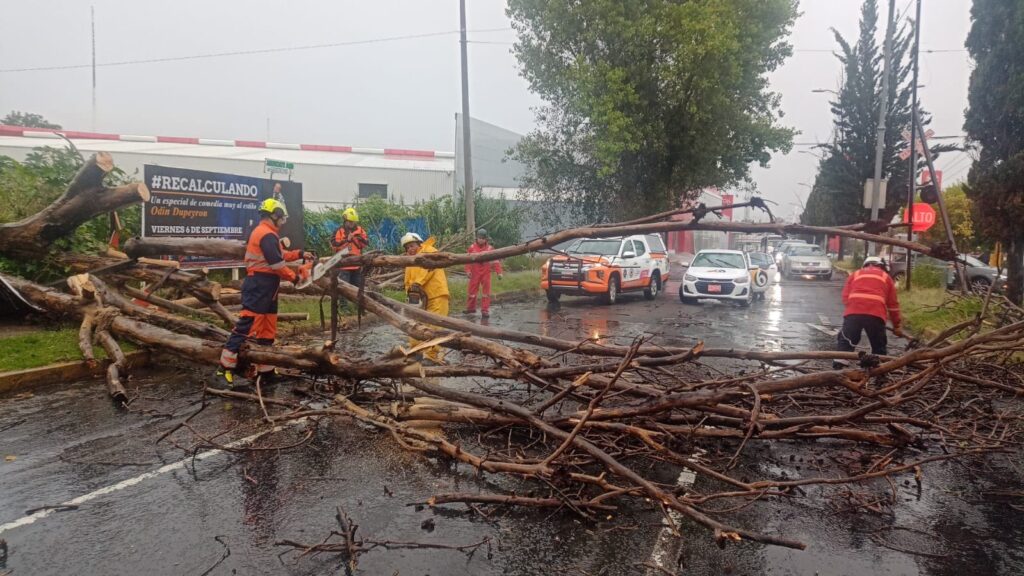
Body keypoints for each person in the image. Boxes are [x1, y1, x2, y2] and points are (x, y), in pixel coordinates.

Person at [216, 198, 313, 386]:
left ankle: (265, 371)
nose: (283, 222)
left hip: (268, 285)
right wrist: (294, 278)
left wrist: (300, 254)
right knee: (248, 324)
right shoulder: (265, 234)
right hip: (259, 283)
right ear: (274, 215)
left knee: (268, 328)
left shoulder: (268, 234)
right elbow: (277, 264)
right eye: (282, 218)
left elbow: (279, 255)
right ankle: (224, 368)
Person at [835, 256, 905, 369]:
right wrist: (897, 326)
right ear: (881, 266)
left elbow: (845, 297)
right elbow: (893, 305)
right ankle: (879, 373)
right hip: (876, 315)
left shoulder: (855, 274)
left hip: (854, 313)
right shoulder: (886, 277)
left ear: (865, 264)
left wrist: (856, 308)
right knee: (878, 345)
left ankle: (837, 370)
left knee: (846, 341)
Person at [401, 232, 449, 363]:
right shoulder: (410, 261)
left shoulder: (429, 251)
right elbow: (407, 281)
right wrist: (409, 293)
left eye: (412, 245)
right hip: (421, 299)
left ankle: (431, 356)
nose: (410, 249)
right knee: (416, 325)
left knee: (435, 327)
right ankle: (415, 351)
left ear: (419, 243)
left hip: (436, 295)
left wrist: (417, 284)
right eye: (407, 247)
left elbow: (428, 268)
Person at [464, 228, 503, 318]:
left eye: (482, 238)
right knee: (472, 292)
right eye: (479, 237)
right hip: (475, 273)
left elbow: (495, 262)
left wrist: (499, 272)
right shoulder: (472, 248)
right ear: (476, 238)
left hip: (486, 273)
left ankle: (485, 310)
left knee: (486, 293)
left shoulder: (490, 249)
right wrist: (468, 271)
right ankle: (470, 308)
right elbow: (467, 261)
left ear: (486, 239)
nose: (481, 239)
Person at [331, 207, 369, 285]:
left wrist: (359, 239)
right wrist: (347, 240)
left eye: (353, 222)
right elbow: (334, 246)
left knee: (356, 290)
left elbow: (365, 244)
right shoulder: (339, 231)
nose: (352, 223)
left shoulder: (360, 230)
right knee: (344, 289)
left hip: (357, 265)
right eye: (350, 221)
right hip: (343, 266)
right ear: (345, 221)